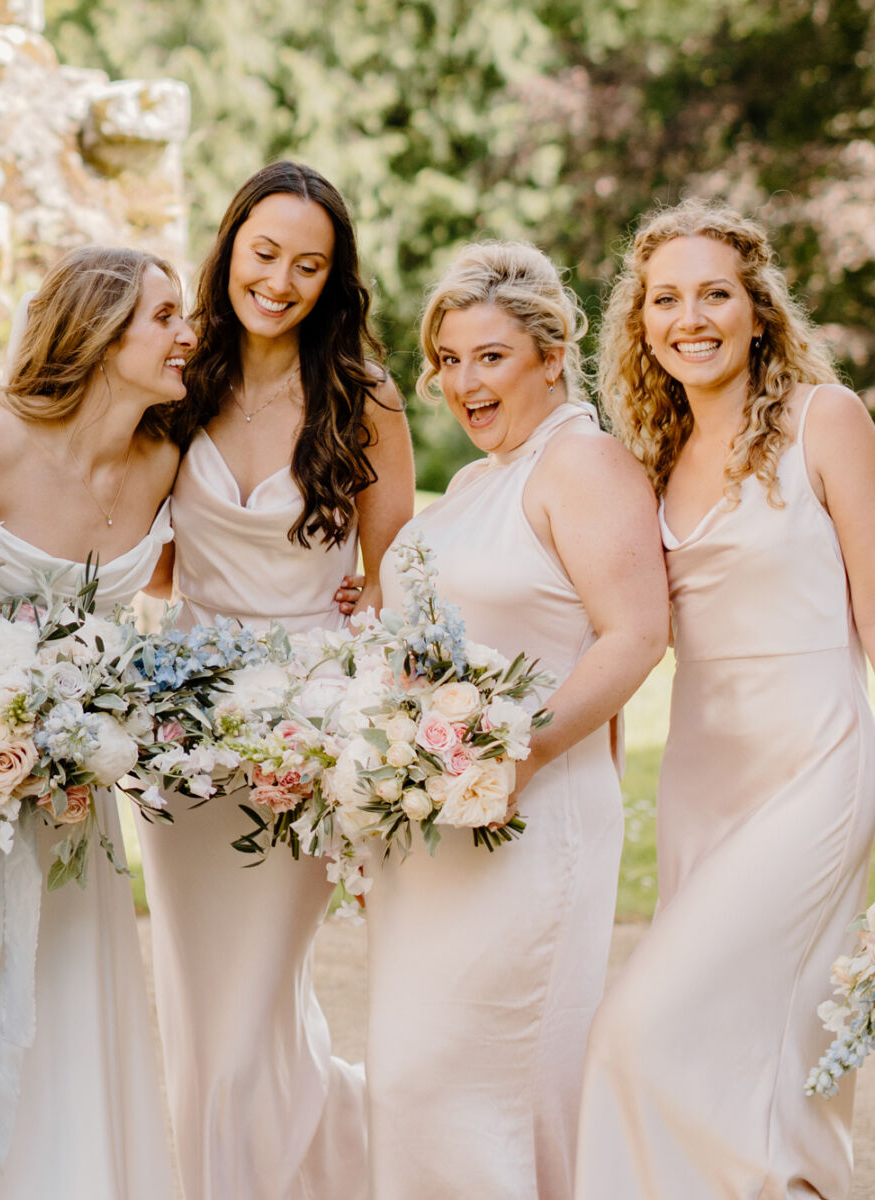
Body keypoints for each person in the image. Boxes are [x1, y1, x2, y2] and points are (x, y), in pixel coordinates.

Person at [574, 198, 875, 1199]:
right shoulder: (650, 458)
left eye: (715, 293)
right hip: (703, 782)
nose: (690, 316)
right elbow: (617, 633)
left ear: (760, 310)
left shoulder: (823, 421)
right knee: (757, 1044)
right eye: (665, 298)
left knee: (641, 1029)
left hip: (815, 766)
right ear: (641, 322)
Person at [365, 242, 668, 1199]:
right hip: (433, 833)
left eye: (489, 356)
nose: (463, 383)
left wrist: (521, 755)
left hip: (528, 821)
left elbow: (635, 634)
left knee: (478, 1080)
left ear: (549, 353)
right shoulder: (471, 486)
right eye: (448, 361)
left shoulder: (583, 464)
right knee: (415, 1078)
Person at [138, 160, 413, 1200]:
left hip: (309, 728)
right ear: (229, 249)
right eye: (265, 254)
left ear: (333, 278)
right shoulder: (180, 370)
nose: (282, 280)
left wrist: (357, 615)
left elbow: (399, 573)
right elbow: (143, 545)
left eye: (310, 264)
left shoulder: (364, 396)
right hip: (183, 721)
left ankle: (300, 1167)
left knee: (255, 996)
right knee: (201, 1004)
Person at [0, 245, 193, 1199]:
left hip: (77, 800)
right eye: (164, 317)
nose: (187, 335)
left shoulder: (164, 462)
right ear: (98, 332)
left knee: (75, 1006)